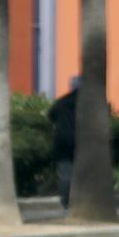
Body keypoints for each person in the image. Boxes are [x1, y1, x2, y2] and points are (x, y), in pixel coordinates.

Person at [47, 76, 80, 210]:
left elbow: (50, 116)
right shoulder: (90, 103)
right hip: (83, 143)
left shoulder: (61, 102)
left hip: (63, 141)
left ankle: (67, 202)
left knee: (66, 173)